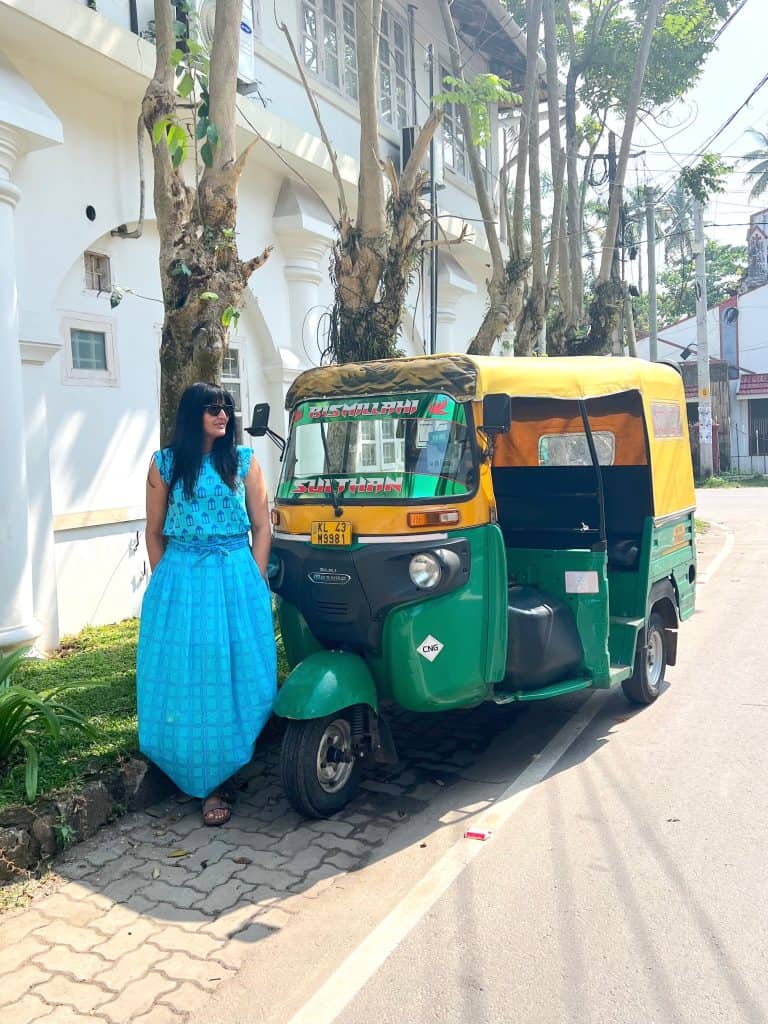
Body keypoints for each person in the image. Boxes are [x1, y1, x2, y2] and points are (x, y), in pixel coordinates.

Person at [137, 382, 277, 826]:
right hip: (183, 578)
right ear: (190, 414)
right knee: (186, 673)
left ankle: (225, 772)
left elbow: (263, 527)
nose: (223, 415)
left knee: (233, 671)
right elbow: (154, 531)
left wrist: (253, 577)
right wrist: (167, 582)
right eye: (212, 408)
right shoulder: (164, 465)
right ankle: (190, 773)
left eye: (227, 408)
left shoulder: (244, 462)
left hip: (235, 574)